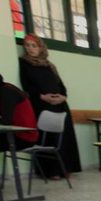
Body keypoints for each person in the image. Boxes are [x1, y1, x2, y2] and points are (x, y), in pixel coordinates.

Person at [19, 33, 81, 179]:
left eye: (34, 45)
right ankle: (51, 171)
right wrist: (42, 96)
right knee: (48, 138)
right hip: (41, 104)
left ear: (41, 47)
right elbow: (27, 85)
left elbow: (61, 85)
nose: (30, 48)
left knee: (65, 137)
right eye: (27, 46)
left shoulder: (49, 65)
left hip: (60, 104)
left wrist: (63, 96)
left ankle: (66, 168)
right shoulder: (25, 63)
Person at [0, 73, 39, 152]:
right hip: (13, 134)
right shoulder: (6, 89)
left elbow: (6, 121)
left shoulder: (7, 92)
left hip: (24, 137)